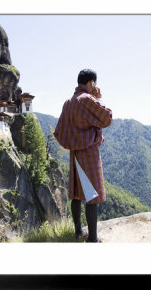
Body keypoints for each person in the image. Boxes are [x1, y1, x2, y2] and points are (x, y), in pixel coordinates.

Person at [53, 69, 113, 242]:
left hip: (74, 154)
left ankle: (78, 231)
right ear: (91, 82)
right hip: (88, 153)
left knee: (77, 194)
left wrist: (72, 142)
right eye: (94, 83)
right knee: (92, 196)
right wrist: (98, 98)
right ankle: (92, 239)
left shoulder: (68, 102)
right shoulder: (86, 99)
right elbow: (107, 117)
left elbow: (59, 131)